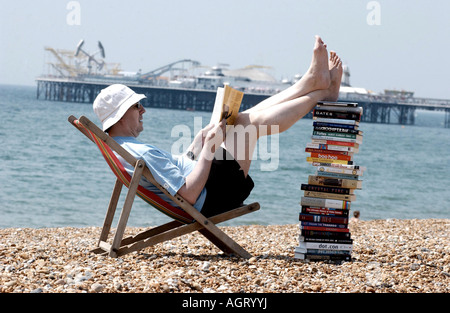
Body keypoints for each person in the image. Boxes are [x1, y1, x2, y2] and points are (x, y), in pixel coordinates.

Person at [93, 35, 343, 218]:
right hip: (215, 194)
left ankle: (312, 84)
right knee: (246, 124)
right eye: (137, 106)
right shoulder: (139, 152)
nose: (143, 110)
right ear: (122, 116)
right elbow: (188, 195)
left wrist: (196, 146)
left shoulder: (123, 147)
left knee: (240, 118)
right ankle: (318, 92)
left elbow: (174, 176)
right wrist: (210, 150)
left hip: (207, 185)